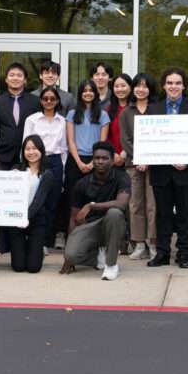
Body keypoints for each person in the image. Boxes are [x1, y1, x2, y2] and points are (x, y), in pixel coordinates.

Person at [147, 68, 188, 268]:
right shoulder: (154, 109)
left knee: (186, 215)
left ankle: (184, 255)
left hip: (185, 171)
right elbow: (149, 141)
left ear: (184, 86)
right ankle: (162, 253)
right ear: (163, 86)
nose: (173, 87)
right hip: (161, 172)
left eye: (177, 83)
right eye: (169, 83)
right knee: (163, 215)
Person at [61, 141, 131, 280]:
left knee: (114, 213)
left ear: (112, 161)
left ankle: (111, 264)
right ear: (92, 160)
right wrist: (68, 257)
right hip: (91, 226)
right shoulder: (82, 183)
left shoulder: (122, 177)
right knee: (71, 255)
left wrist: (92, 205)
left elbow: (121, 203)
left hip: (113, 225)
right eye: (97, 158)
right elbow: (73, 217)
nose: (100, 161)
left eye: (104, 158)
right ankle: (97, 254)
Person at [65, 80, 110, 246]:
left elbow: (102, 142)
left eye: (91, 90)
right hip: (75, 160)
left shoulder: (103, 114)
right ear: (80, 93)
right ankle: (72, 241)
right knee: (73, 202)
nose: (88, 93)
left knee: (93, 202)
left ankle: (93, 242)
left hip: (96, 161)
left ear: (96, 93)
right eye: (85, 90)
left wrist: (92, 163)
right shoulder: (71, 114)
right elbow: (70, 141)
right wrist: (78, 161)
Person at [118, 72, 157, 260]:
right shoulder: (127, 111)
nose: (141, 89)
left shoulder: (156, 109)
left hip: (154, 164)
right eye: (138, 86)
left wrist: (148, 158)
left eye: (145, 86)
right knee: (135, 204)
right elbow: (125, 140)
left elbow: (161, 137)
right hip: (133, 164)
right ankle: (139, 243)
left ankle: (153, 242)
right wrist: (139, 158)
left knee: (153, 204)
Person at [22, 86, 66, 250]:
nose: (49, 101)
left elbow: (64, 148)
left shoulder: (62, 120)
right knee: (36, 200)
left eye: (52, 99)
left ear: (57, 101)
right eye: (45, 98)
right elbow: (25, 144)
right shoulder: (32, 120)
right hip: (36, 159)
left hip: (55, 161)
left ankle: (46, 241)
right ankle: (32, 238)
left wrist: (62, 173)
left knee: (52, 202)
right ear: (40, 101)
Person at [7, 136, 57, 273]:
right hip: (16, 221)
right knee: (18, 267)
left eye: (35, 148)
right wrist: (10, 178)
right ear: (23, 152)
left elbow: (39, 201)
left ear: (41, 150)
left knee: (33, 268)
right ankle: (25, 248)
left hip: (36, 220)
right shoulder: (16, 170)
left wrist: (26, 218)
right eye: (27, 149)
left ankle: (36, 249)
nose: (31, 152)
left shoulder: (47, 174)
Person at [0, 63, 40, 169]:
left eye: (19, 75)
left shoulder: (35, 101)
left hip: (29, 156)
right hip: (3, 157)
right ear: (6, 79)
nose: (15, 78)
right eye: (12, 75)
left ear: (25, 80)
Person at [105, 74, 134, 169]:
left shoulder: (136, 109)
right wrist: (113, 153)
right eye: (116, 86)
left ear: (130, 87)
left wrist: (125, 153)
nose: (120, 89)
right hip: (113, 159)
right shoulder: (108, 110)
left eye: (123, 86)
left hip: (133, 158)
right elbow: (106, 136)